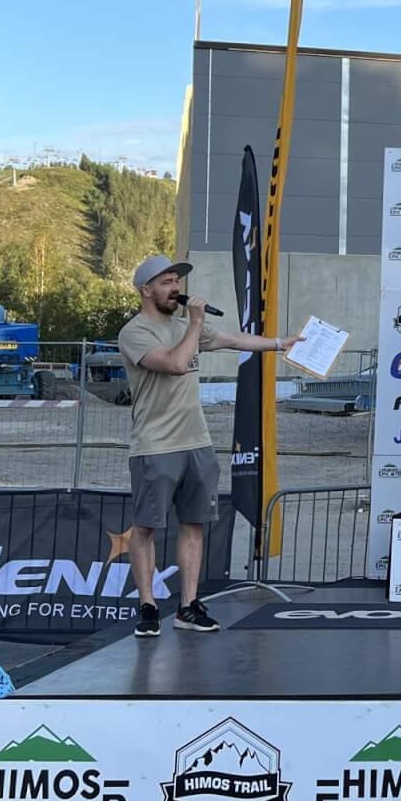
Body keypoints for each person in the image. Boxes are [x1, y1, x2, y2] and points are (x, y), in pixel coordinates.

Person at [119, 255, 295, 638]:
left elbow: (233, 339)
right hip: (155, 444)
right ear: (146, 290)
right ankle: (148, 607)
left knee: (194, 525)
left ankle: (188, 606)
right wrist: (196, 324)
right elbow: (175, 364)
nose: (175, 288)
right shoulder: (135, 332)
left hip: (196, 441)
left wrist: (280, 344)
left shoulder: (186, 325)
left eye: (176, 281)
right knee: (145, 528)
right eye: (166, 282)